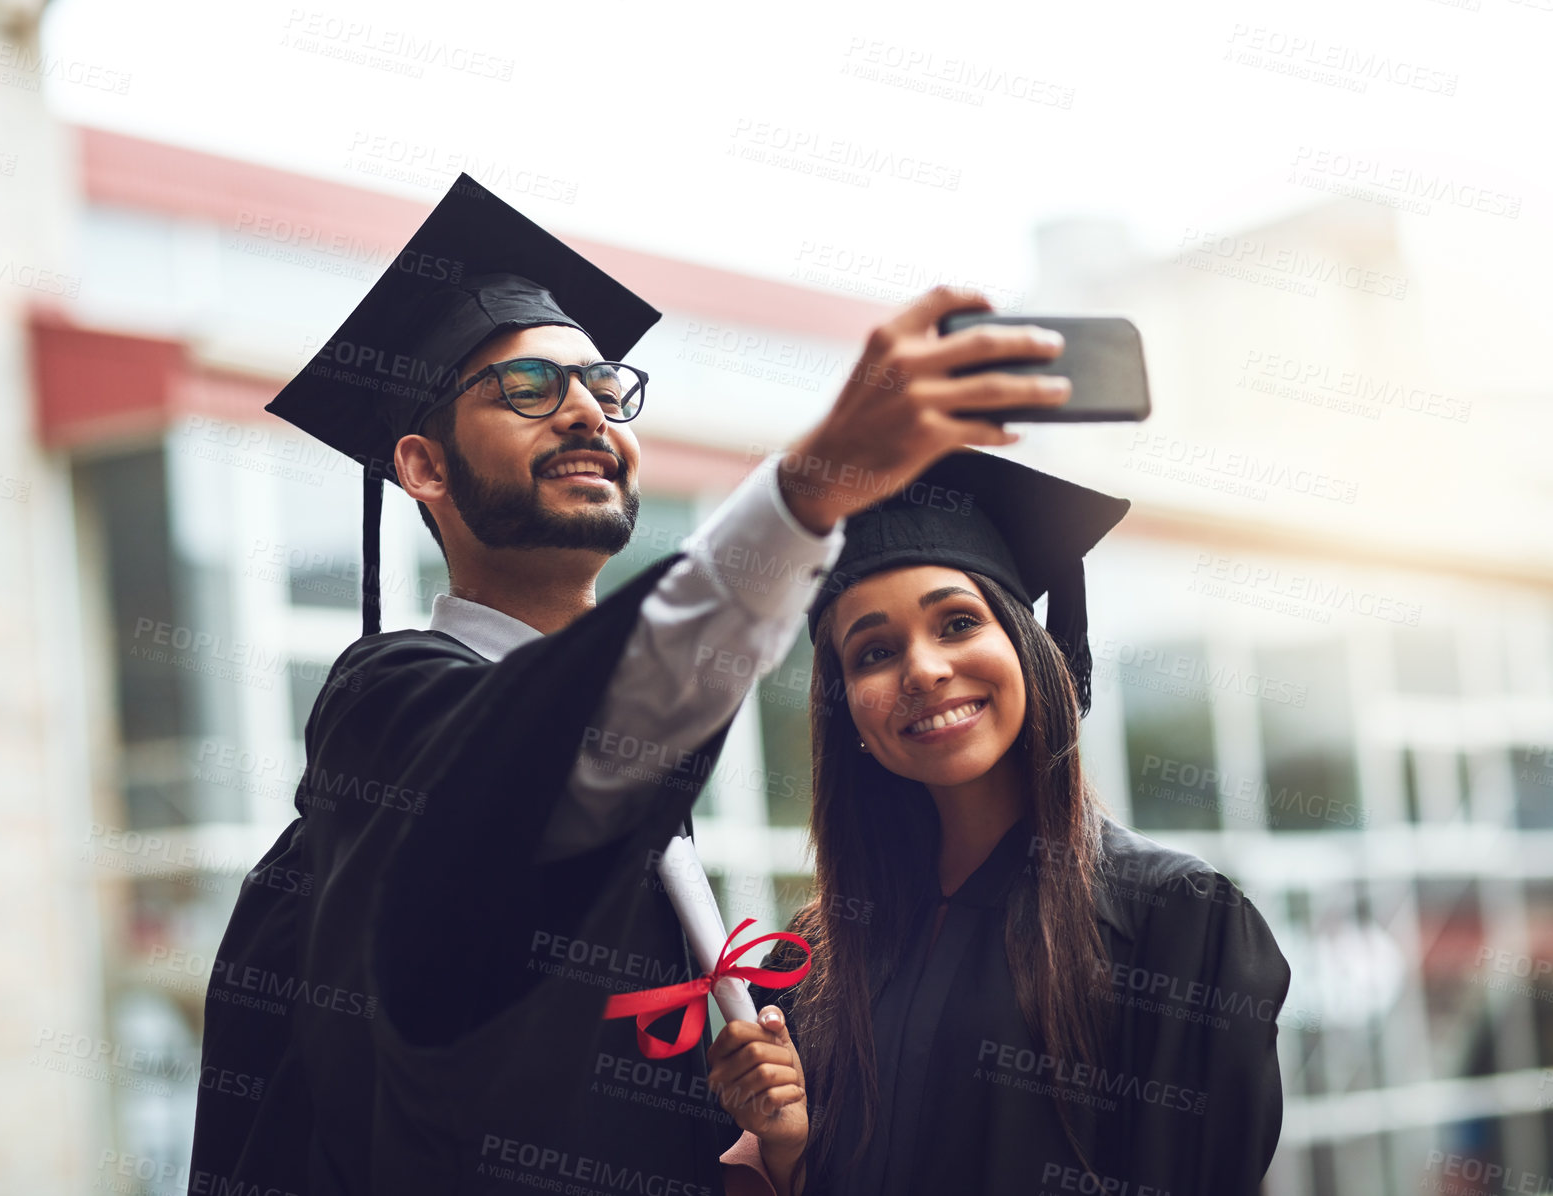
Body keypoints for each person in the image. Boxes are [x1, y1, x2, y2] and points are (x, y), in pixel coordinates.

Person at [186, 170, 1073, 1195]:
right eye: (527, 387)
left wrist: (761, 1133)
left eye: (606, 391)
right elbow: (552, 756)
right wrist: (814, 481)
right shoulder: (392, 713)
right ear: (423, 467)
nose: (586, 414)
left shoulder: (642, 779)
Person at [724, 450, 1293, 1195]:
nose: (922, 670)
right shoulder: (812, 959)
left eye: (957, 622)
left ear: (1026, 647)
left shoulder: (1174, 919)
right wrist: (789, 1151)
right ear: (847, 711)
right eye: (874, 651)